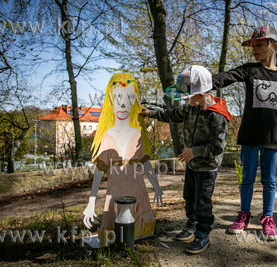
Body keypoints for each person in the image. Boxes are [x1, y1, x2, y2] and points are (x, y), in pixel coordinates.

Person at [141, 65, 232, 254]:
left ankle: (203, 233)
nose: (184, 100)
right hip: (192, 165)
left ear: (200, 95)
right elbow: (172, 114)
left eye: (187, 96)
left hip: (206, 167)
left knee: (203, 201)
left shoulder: (217, 116)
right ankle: (192, 223)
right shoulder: (191, 108)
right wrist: (151, 113)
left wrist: (195, 151)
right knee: (189, 197)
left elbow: (218, 146)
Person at [212, 26, 277, 241]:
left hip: (272, 137)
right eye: (253, 46)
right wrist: (201, 81)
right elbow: (225, 77)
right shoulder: (250, 69)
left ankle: (267, 219)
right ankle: (244, 215)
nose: (254, 49)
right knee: (247, 178)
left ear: (273, 46)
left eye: (259, 45)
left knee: (269, 180)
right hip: (249, 134)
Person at [83, 73, 163, 243]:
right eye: (118, 97)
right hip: (115, 190)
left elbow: (145, 163)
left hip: (138, 190)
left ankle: (137, 237)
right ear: (111, 100)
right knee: (115, 224)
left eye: (128, 97)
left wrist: (156, 187)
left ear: (134, 100)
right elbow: (99, 171)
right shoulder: (108, 135)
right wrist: (91, 203)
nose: (122, 104)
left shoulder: (138, 133)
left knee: (140, 223)